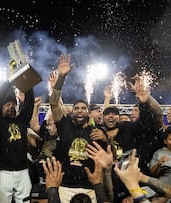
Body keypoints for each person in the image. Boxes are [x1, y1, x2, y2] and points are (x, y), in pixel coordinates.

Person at [49, 53, 107, 202]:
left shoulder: (95, 132)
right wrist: (61, 78)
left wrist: (105, 138)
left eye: (83, 108)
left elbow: (107, 157)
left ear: (88, 112)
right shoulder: (64, 125)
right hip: (66, 185)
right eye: (77, 108)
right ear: (72, 112)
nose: (80, 110)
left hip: (90, 186)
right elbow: (54, 103)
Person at [0, 76, 35, 202]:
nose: (11, 107)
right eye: (7, 104)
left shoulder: (21, 121)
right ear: (1, 107)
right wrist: (10, 81)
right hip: (3, 171)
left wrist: (27, 83)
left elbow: (29, 103)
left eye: (14, 104)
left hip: (23, 170)